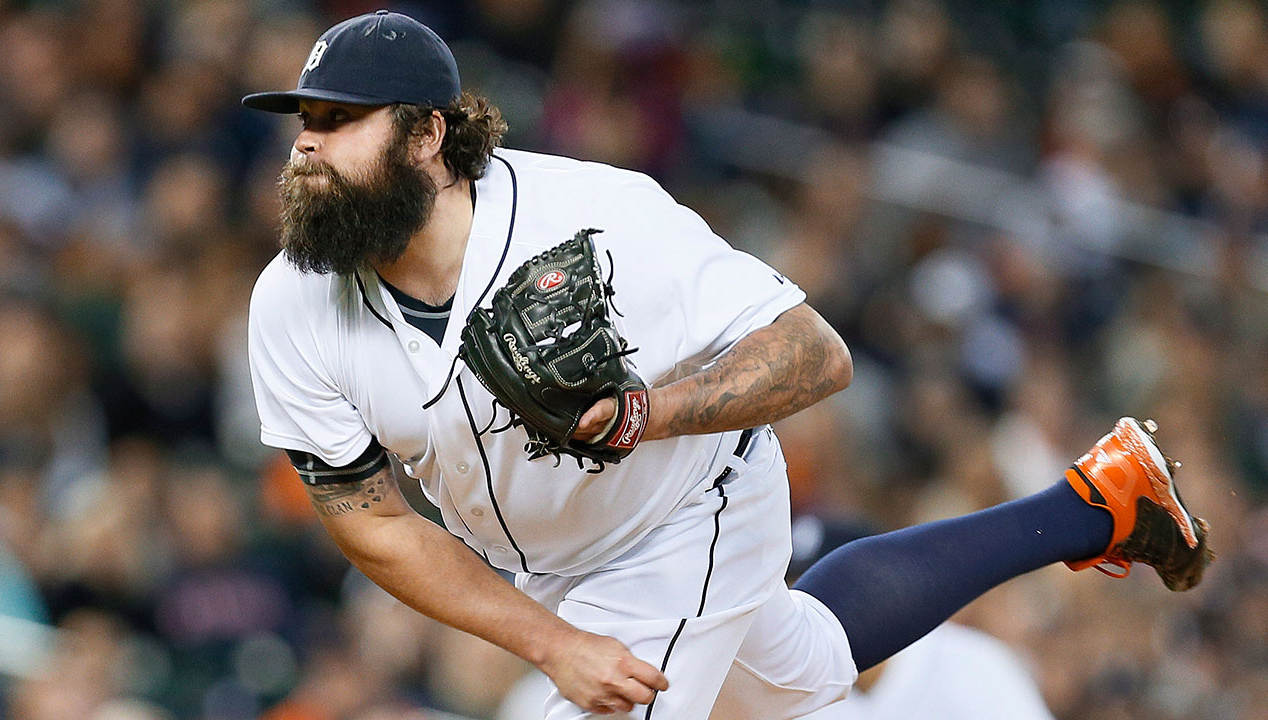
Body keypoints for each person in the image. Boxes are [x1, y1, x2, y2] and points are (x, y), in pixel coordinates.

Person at [243, 11, 1213, 719]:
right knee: (815, 661)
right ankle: (1099, 502)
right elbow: (372, 525)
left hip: (686, 511)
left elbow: (813, 353)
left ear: (426, 134)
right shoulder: (295, 302)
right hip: (545, 570)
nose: (307, 142)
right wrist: (551, 641)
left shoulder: (595, 219)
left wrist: (649, 412)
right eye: (304, 119)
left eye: (340, 118)